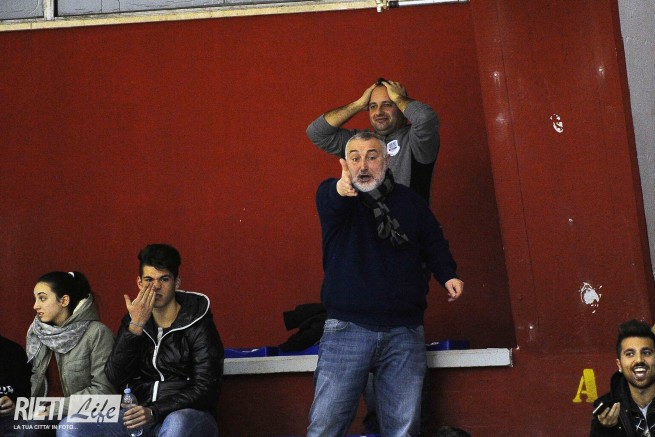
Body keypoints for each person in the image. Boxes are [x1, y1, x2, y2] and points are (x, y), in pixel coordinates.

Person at [307, 132, 464, 437]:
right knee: (326, 425)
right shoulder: (334, 195)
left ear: (386, 160)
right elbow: (330, 200)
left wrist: (448, 274)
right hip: (347, 328)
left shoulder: (410, 202)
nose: (363, 165)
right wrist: (341, 188)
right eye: (354, 158)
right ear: (345, 163)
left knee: (403, 429)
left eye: (371, 156)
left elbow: (433, 241)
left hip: (404, 330)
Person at [104, 244, 224, 437]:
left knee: (177, 423)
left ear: (177, 282)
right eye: (149, 280)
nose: (156, 287)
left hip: (190, 415)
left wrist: (155, 411)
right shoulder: (133, 321)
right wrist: (135, 327)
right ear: (139, 282)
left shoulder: (198, 322)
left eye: (164, 279)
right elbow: (115, 377)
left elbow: (206, 388)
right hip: (141, 414)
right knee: (73, 426)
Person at [306, 78, 440, 203]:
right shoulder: (359, 141)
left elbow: (425, 118)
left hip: (407, 220)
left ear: (401, 107)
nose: (379, 112)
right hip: (364, 220)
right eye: (373, 106)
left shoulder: (417, 139)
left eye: (387, 104)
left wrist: (398, 97)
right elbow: (316, 133)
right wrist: (358, 104)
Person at [23, 271, 115, 436]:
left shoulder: (97, 333)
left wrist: (55, 409)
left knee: (39, 428)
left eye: (42, 298)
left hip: (86, 414)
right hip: (43, 412)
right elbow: (34, 384)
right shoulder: (39, 334)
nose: (35, 306)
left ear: (64, 300)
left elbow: (105, 391)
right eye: (35, 299)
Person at [590, 319, 655, 436]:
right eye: (630, 354)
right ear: (619, 365)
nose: (639, 360)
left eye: (646, 352)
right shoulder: (607, 411)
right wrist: (606, 430)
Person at [0, 334, 31, 435]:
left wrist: (15, 405)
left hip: (9, 418)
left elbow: (27, 391)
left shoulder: (13, 351)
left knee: (24, 430)